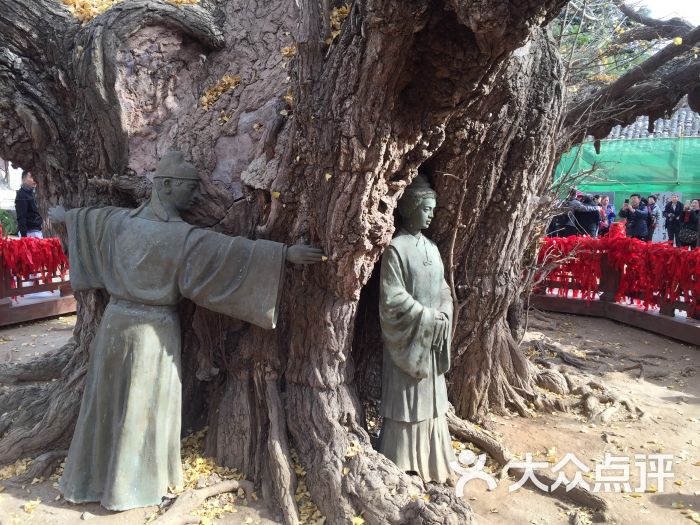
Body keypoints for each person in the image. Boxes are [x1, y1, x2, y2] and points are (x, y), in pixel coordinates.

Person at [49, 152, 325, 511]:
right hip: (146, 332)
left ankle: (110, 481)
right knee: (134, 405)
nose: (195, 198)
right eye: (188, 189)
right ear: (165, 186)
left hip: (120, 325)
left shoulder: (126, 225)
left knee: (124, 404)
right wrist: (284, 255)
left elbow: (83, 220)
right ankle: (129, 485)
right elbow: (230, 253)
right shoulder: (164, 233)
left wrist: (64, 219)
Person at [378, 175, 455, 483]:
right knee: (406, 402)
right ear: (409, 209)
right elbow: (392, 297)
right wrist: (425, 317)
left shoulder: (433, 248)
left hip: (433, 338)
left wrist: (444, 316)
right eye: (426, 208)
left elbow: (444, 289)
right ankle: (401, 459)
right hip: (409, 340)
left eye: (433, 209)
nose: (431, 214)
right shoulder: (395, 249)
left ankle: (433, 459)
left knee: (433, 402)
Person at [14, 170, 43, 238]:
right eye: (31, 177)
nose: (34, 179)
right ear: (23, 180)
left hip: (35, 231)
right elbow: (21, 217)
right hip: (29, 233)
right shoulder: (22, 195)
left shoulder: (30, 192)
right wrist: (24, 238)